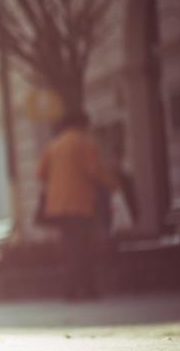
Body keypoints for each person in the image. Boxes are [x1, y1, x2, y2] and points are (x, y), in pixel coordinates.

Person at [37, 111, 119, 300]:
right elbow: (94, 171)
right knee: (83, 247)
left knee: (70, 247)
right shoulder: (85, 143)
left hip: (58, 207)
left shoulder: (53, 146)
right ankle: (85, 289)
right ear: (82, 125)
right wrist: (114, 183)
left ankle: (72, 290)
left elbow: (40, 173)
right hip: (80, 205)